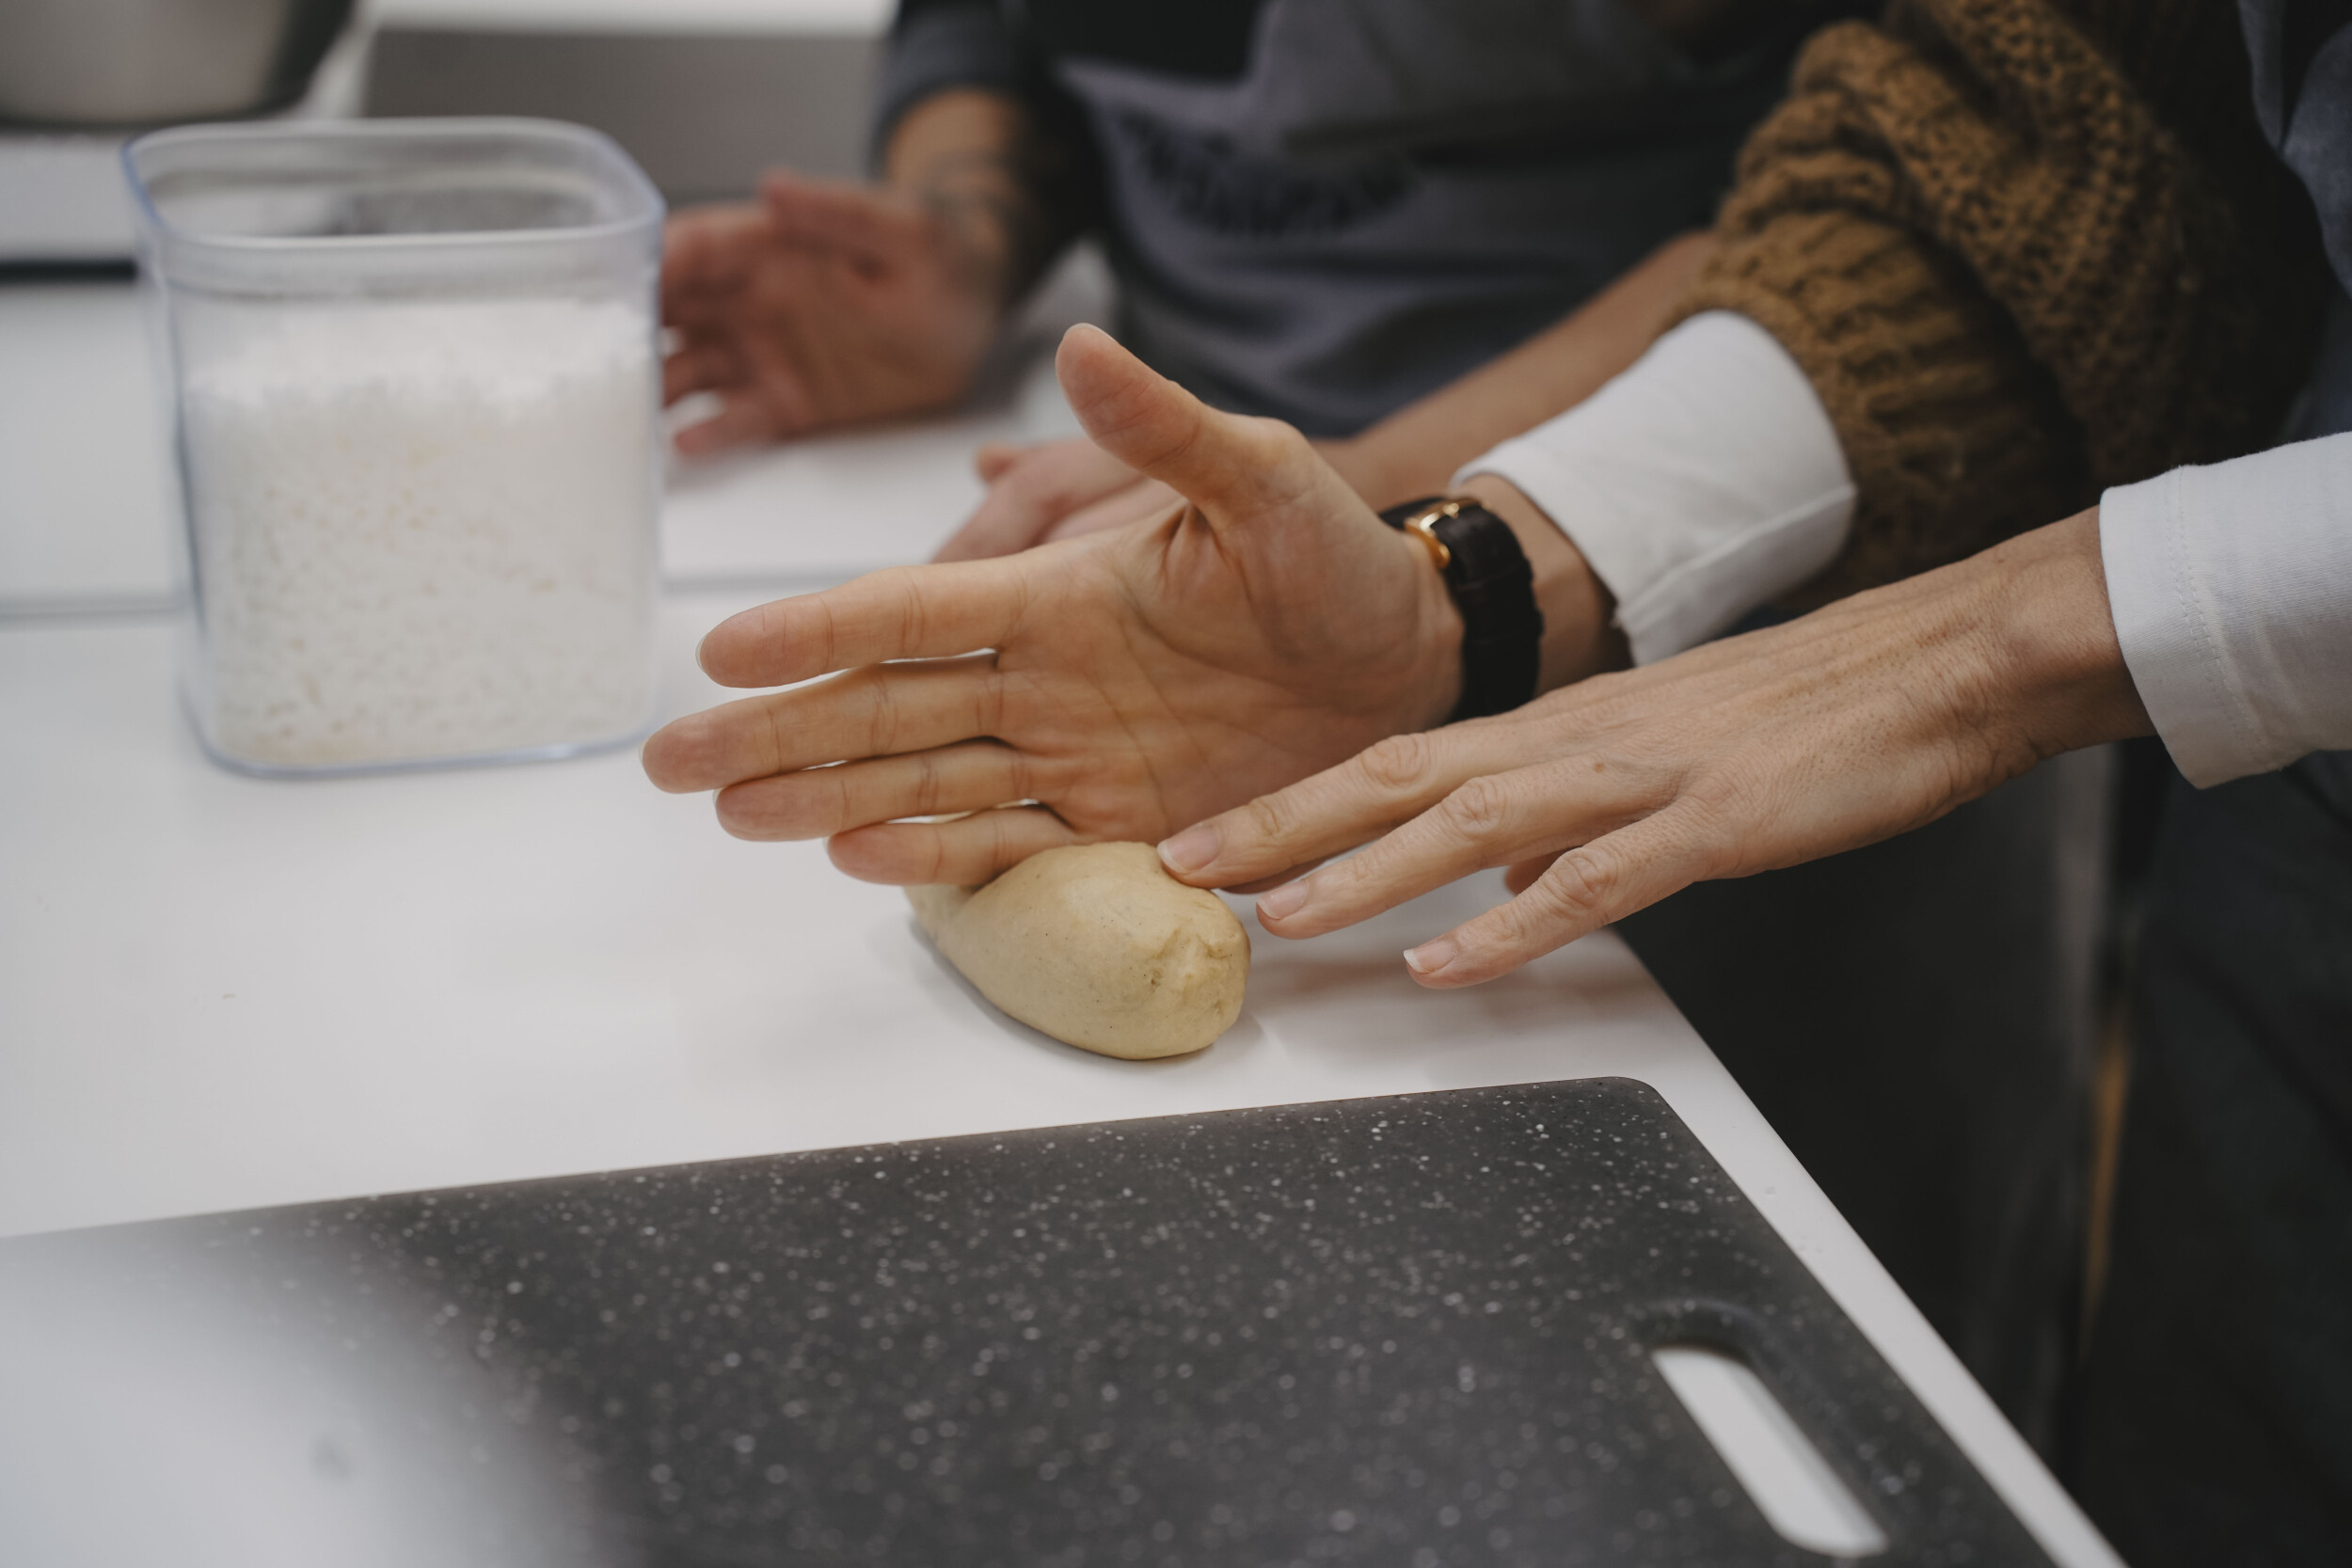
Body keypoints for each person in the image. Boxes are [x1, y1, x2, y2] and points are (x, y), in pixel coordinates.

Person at [644, 0, 2322, 1463]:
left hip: (1819, 639)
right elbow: (2043, 166)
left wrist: (2020, 627)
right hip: (2270, 846)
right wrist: (1468, 578)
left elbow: (2009, 219)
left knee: (1807, 1390)